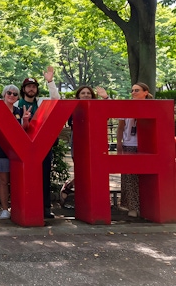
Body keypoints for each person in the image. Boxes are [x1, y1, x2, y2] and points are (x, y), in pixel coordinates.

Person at [16, 66, 60, 219]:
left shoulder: (43, 102)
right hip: (23, 147)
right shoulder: (16, 105)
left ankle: (45, 207)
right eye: (28, 86)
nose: (31, 89)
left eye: (34, 86)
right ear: (24, 89)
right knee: (24, 179)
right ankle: (25, 207)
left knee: (44, 178)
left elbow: (56, 99)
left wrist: (50, 81)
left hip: (42, 146)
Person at [61, 85, 109, 205]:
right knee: (82, 169)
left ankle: (70, 187)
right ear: (78, 96)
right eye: (83, 93)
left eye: (88, 93)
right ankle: (81, 199)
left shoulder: (97, 107)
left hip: (95, 142)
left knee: (94, 170)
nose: (86, 95)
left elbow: (110, 111)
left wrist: (106, 98)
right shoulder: (73, 108)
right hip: (78, 140)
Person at [0, 84, 30, 219]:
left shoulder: (20, 110)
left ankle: (18, 207)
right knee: (3, 180)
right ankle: (4, 209)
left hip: (17, 151)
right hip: (1, 149)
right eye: (9, 93)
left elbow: (24, 130)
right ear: (4, 94)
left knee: (17, 180)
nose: (12, 96)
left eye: (15, 94)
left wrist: (25, 120)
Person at [116, 82, 152, 217]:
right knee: (128, 176)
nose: (133, 93)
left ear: (145, 92)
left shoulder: (152, 107)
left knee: (143, 177)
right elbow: (120, 127)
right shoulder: (125, 107)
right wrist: (119, 143)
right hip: (129, 144)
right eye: (132, 90)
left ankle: (144, 207)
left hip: (146, 145)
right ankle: (130, 207)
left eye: (137, 90)